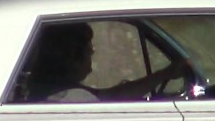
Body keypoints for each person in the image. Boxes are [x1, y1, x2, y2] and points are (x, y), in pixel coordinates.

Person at [22, 22, 188, 102]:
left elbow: (107, 96)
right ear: (72, 57)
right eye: (88, 51)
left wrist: (163, 75)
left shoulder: (48, 89)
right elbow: (111, 98)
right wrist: (164, 74)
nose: (93, 52)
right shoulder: (70, 96)